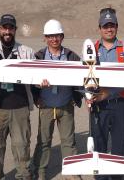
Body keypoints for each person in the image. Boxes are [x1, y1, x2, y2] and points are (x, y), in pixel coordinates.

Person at [86, 7, 124, 180]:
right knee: (98, 142)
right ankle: (100, 177)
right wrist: (88, 95)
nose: (109, 29)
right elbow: (85, 76)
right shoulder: (91, 49)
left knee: (119, 145)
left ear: (117, 26)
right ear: (99, 28)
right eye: (105, 25)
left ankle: (116, 176)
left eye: (112, 25)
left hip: (120, 105)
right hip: (98, 106)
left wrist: (107, 93)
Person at [0, 14, 35, 180]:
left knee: (22, 147)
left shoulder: (26, 52)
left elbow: (37, 76)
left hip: (20, 109)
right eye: (4, 27)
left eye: (10, 28)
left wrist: (42, 85)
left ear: (15, 30)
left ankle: (24, 176)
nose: (7, 31)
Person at [31, 19, 82, 180]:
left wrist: (76, 96)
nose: (54, 39)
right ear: (45, 38)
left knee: (69, 141)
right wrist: (36, 95)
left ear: (62, 36)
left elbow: (80, 77)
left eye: (57, 35)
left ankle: (71, 172)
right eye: (50, 36)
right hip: (46, 106)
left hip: (65, 105)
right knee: (44, 141)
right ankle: (40, 172)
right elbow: (31, 79)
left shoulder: (71, 56)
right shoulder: (38, 56)